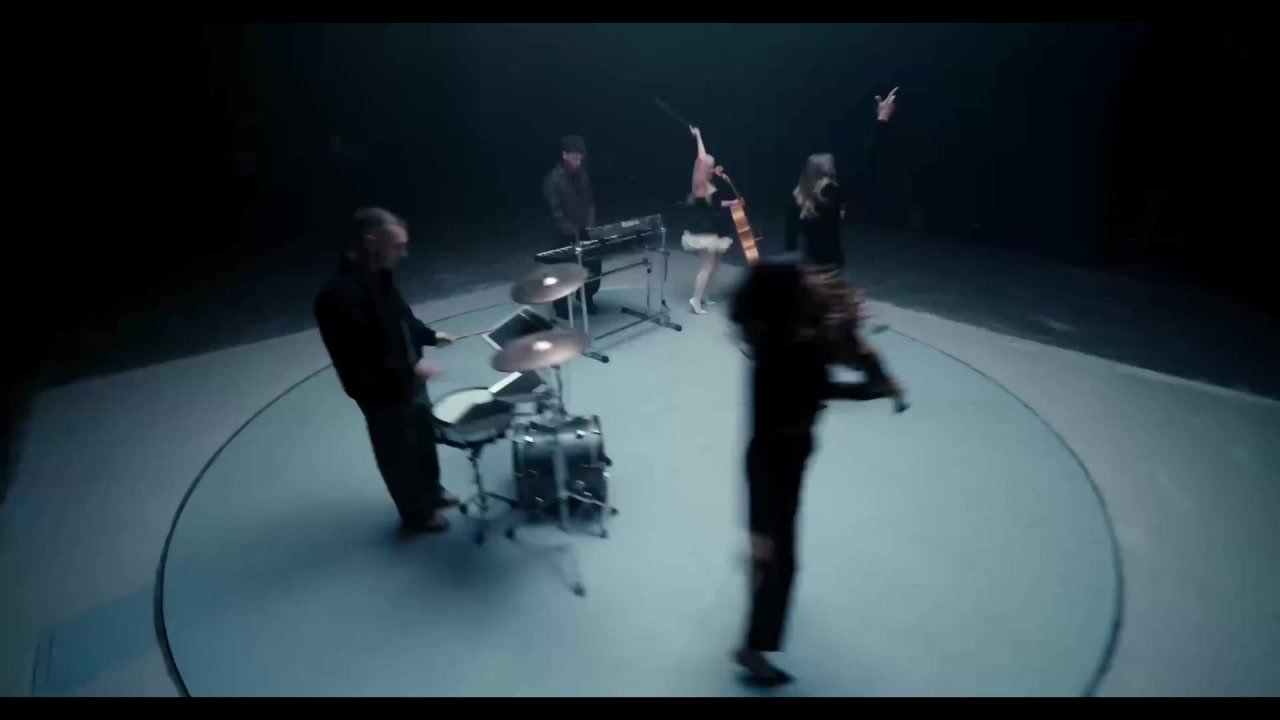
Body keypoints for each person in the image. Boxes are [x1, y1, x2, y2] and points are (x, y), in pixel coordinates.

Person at [728, 259, 907, 686]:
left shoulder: (778, 340)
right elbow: (821, 387)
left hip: (778, 456)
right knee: (783, 562)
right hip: (776, 464)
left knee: (770, 545)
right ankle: (753, 648)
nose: (813, 287)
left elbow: (826, 369)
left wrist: (848, 339)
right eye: (804, 286)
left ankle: (760, 558)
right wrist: (873, 388)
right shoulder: (790, 352)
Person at [314, 207, 459, 533]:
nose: (403, 254)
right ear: (370, 241)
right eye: (398, 246)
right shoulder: (337, 295)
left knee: (423, 439)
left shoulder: (379, 273)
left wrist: (429, 336)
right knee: (398, 453)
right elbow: (360, 357)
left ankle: (432, 492)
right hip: (382, 391)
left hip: (410, 379)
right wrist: (409, 369)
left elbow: (402, 318)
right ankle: (416, 515)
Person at [784, 87, 898, 271]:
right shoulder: (832, 195)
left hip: (809, 269)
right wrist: (882, 119)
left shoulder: (797, 199)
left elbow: (790, 247)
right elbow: (866, 160)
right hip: (828, 270)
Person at [681, 126, 739, 315]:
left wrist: (733, 202)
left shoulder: (707, 184)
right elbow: (701, 158)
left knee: (715, 265)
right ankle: (695, 300)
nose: (712, 168)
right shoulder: (699, 184)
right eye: (709, 165)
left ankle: (704, 296)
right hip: (703, 231)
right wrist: (698, 136)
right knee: (706, 267)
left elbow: (716, 203)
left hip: (714, 229)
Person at [543, 135, 600, 320]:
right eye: (575, 157)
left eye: (580, 157)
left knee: (593, 264)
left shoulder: (583, 175)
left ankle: (586, 297)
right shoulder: (553, 179)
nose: (578, 161)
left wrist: (590, 226)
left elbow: (590, 203)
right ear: (565, 155)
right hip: (563, 233)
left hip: (584, 230)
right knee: (563, 271)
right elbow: (555, 211)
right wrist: (571, 231)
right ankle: (560, 305)